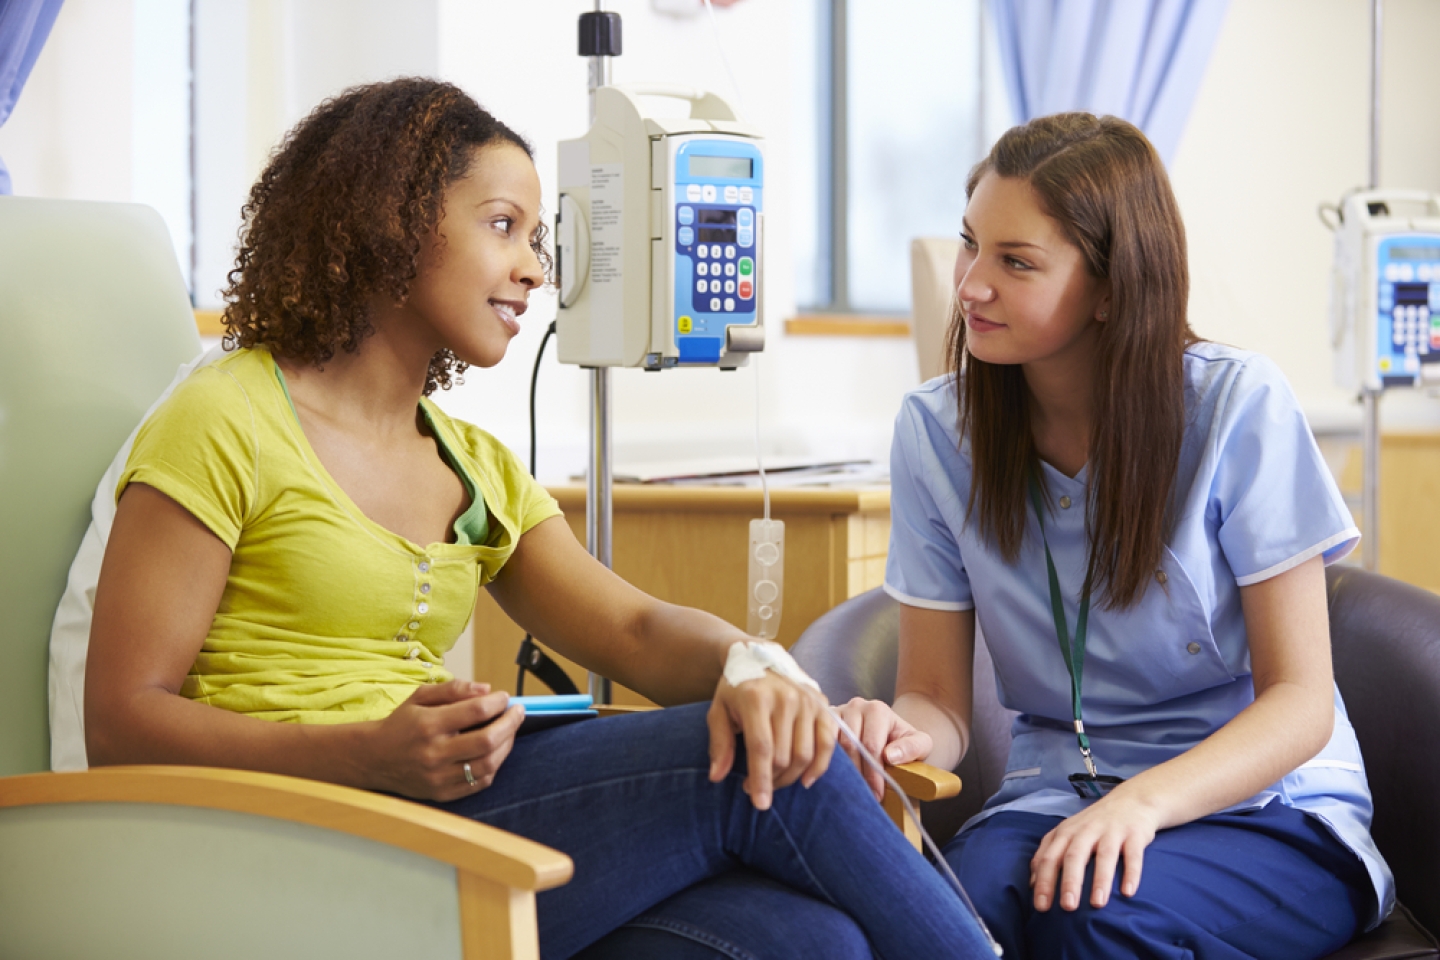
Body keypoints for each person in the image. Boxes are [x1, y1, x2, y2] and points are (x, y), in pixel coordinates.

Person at [82, 77, 997, 960]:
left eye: (537, 236)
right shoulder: (226, 418)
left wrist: (757, 668)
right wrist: (370, 753)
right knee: (775, 772)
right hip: (297, 839)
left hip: (439, 810)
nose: (534, 268)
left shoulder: (468, 463)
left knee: (807, 939)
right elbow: (120, 725)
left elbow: (635, 628)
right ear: (390, 224)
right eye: (502, 226)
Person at [837, 112, 1394, 959]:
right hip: (1055, 796)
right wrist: (897, 730)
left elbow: (1300, 704)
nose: (971, 286)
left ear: (1110, 287)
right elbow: (941, 702)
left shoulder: (1236, 407)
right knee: (941, 923)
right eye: (969, 244)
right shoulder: (934, 432)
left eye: (1015, 262)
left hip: (1262, 805)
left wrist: (1141, 804)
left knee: (1093, 917)